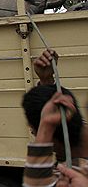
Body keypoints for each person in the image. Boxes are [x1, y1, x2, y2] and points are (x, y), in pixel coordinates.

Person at [21, 49, 88, 187]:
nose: (34, 133)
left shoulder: (71, 177)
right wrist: (47, 81)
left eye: (35, 130)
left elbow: (36, 184)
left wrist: (46, 126)